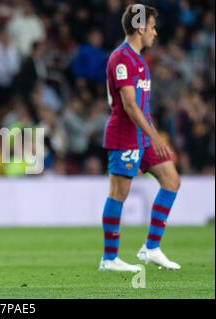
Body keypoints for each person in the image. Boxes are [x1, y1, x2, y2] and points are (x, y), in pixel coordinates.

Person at [100, 4, 181, 272]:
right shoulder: (122, 58)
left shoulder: (139, 61)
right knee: (118, 194)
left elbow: (142, 107)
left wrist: (151, 137)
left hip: (142, 137)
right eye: (152, 26)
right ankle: (109, 259)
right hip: (125, 136)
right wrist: (156, 137)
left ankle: (152, 248)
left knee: (171, 180)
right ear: (139, 27)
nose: (155, 32)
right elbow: (130, 106)